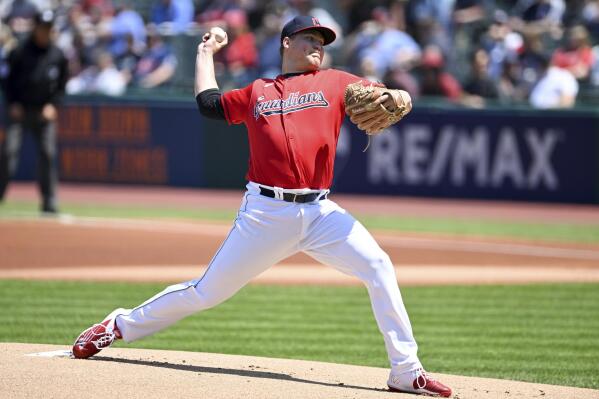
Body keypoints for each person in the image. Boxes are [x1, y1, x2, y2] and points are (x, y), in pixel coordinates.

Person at [71, 16, 452, 397]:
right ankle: (118, 325)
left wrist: (398, 96)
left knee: (378, 265)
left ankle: (405, 370)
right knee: (206, 292)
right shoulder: (258, 92)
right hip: (265, 213)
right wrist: (206, 52)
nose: (318, 45)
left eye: (323, 41)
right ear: (286, 43)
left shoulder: (336, 81)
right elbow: (209, 104)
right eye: (310, 38)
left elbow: (385, 94)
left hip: (320, 212)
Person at [0, 10, 68, 214]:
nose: (45, 32)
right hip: (20, 111)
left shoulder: (57, 54)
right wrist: (13, 103)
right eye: (42, 27)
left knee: (48, 154)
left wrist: (54, 105)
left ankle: (49, 201)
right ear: (35, 27)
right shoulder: (20, 50)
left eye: (49, 28)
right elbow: (6, 80)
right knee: (8, 152)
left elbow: (62, 85)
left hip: (43, 112)